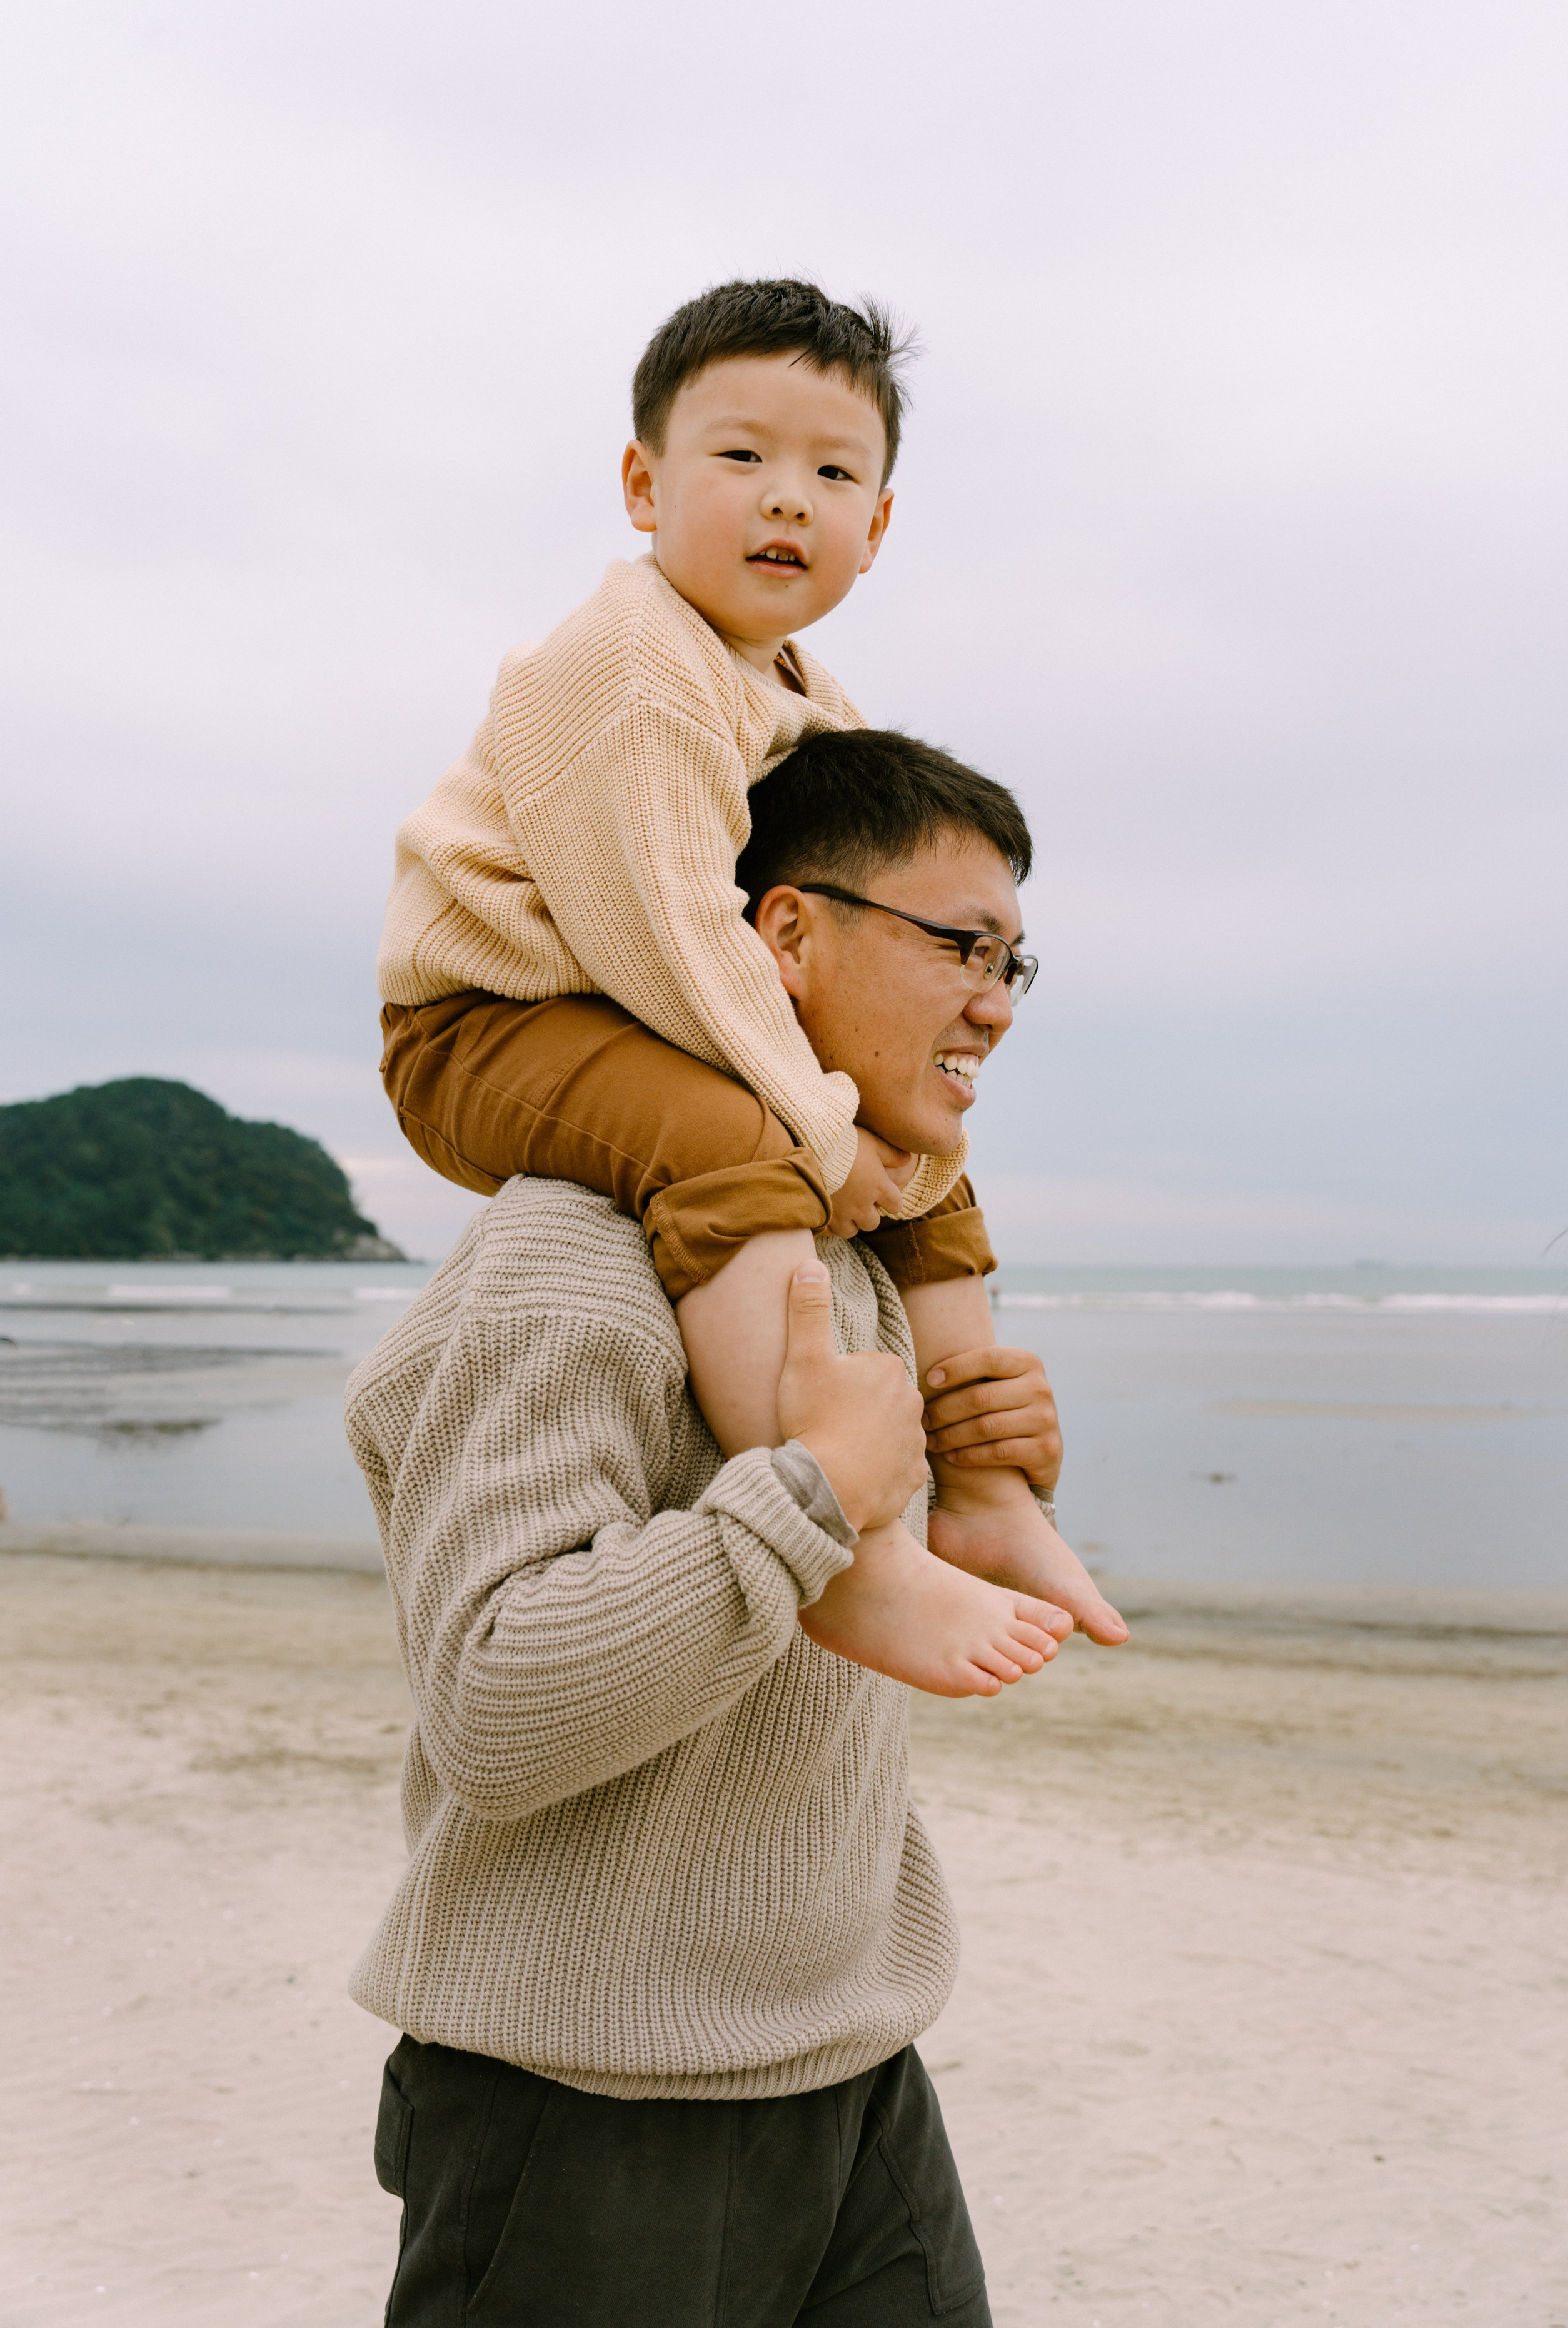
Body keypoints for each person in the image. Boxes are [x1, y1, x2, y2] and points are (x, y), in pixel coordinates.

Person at [346, 733, 1106, 2324]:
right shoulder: (568, 1250)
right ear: (784, 933)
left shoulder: (863, 1253)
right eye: (958, 947)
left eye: (1014, 960)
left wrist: (977, 1480)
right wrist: (812, 1498)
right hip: (580, 2109)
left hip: (852, 2061)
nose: (996, 1003)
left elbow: (838, 1605)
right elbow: (496, 1700)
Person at [374, 278, 1126, 1661]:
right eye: (741, 456)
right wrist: (816, 1122)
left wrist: (869, 1135)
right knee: (738, 1139)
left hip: (643, 1005)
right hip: (494, 1019)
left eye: (832, 472)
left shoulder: (800, 689)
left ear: (877, 526)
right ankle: (851, 1555)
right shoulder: (634, 668)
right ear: (641, 484)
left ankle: (985, 1492)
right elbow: (677, 939)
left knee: (924, 1161)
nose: (788, 499)